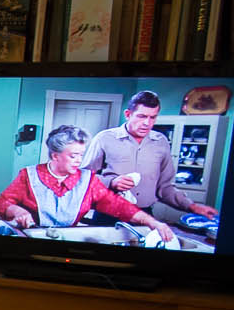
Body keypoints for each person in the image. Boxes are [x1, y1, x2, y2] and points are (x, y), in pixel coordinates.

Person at [0, 124, 176, 243]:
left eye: (81, 154)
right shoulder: (28, 175)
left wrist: (152, 222)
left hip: (68, 242)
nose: (79, 160)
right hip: (32, 241)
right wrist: (18, 211)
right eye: (73, 155)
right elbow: (3, 203)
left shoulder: (88, 180)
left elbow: (119, 206)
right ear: (55, 156)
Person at [83, 91, 220, 222]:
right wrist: (111, 182)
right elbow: (83, 177)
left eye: (152, 117)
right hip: (108, 213)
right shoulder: (104, 138)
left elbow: (164, 187)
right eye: (142, 116)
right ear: (128, 114)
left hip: (145, 215)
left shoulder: (161, 142)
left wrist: (192, 206)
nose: (147, 123)